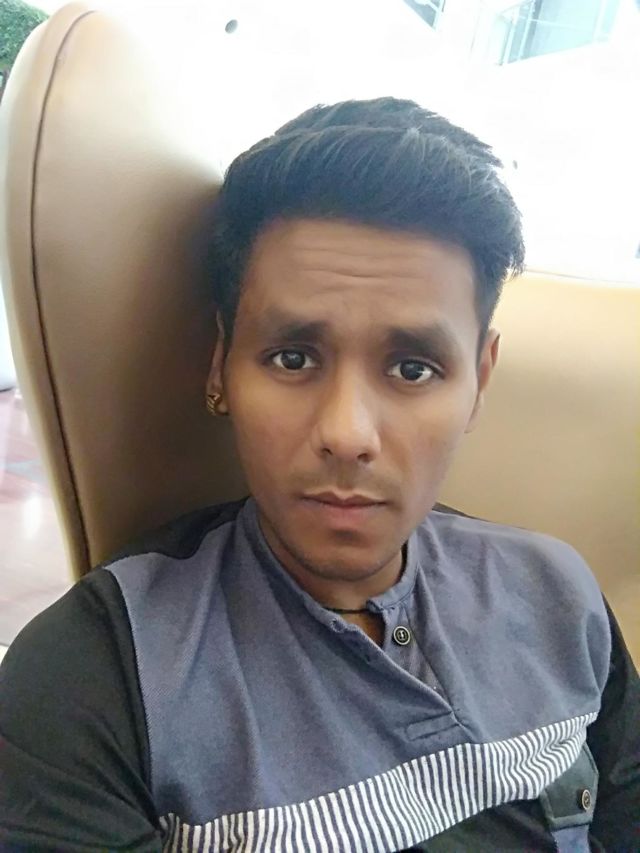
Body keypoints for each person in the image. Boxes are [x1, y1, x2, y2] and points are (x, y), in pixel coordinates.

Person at [0, 97, 638, 852]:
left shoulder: (558, 592)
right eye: (293, 357)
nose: (347, 433)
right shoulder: (97, 679)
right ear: (220, 367)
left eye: (412, 368)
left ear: (480, 381)